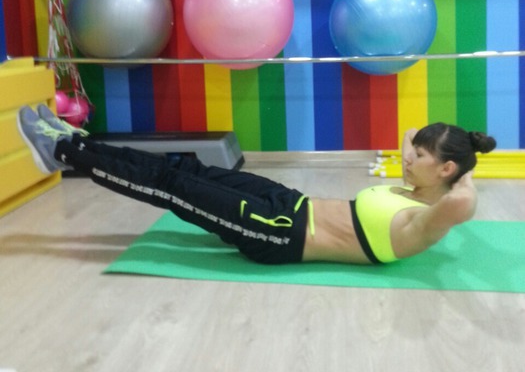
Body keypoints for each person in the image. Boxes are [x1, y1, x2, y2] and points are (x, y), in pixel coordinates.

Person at [17, 105, 496, 266]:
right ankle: (75, 141)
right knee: (185, 168)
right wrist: (454, 157)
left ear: (447, 172)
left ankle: (62, 154)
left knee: (170, 185)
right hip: (289, 203)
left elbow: (464, 204)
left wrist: (464, 173)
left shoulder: (423, 222)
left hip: (278, 233)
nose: (408, 156)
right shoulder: (413, 187)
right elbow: (411, 132)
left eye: (421, 158)